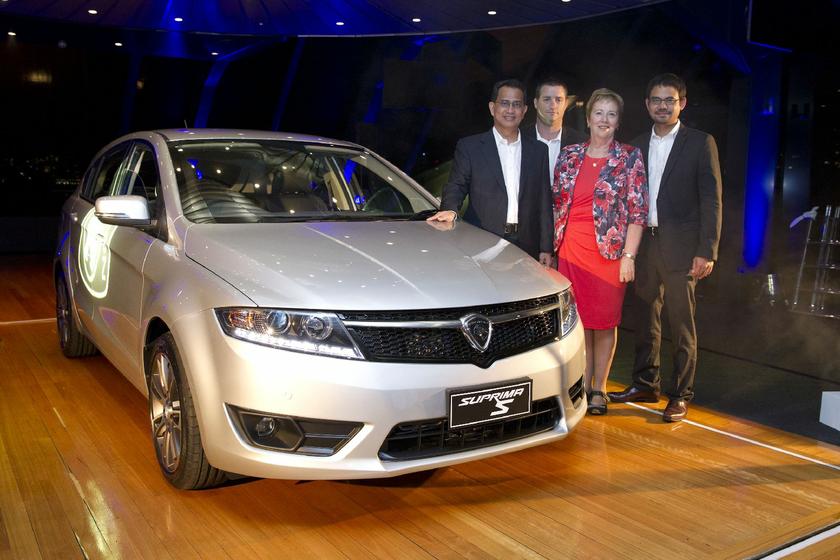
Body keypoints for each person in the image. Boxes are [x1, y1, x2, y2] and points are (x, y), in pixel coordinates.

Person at [607, 73, 722, 423]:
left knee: (680, 324)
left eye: (669, 100)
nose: (662, 105)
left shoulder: (701, 142)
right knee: (645, 320)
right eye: (656, 100)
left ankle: (680, 394)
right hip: (644, 246)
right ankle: (645, 383)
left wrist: (708, 250)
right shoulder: (636, 145)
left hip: (683, 249)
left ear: (681, 103)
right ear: (647, 105)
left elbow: (712, 201)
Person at [552, 88, 648, 415]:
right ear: (588, 117)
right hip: (569, 251)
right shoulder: (569, 155)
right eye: (599, 113)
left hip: (609, 255)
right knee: (577, 324)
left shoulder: (629, 157)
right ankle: (578, 385)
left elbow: (638, 212)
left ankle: (599, 388)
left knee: (604, 323)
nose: (604, 120)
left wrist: (629, 257)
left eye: (611, 114)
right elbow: (555, 205)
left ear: (618, 122)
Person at [427, 79, 553, 266]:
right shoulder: (470, 147)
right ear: (492, 107)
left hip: (527, 245)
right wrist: (450, 210)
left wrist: (546, 248)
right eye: (504, 103)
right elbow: (457, 185)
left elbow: (544, 201)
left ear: (525, 110)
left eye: (516, 104)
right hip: (483, 243)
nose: (510, 110)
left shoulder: (538, 151)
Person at [525, 77, 587, 185]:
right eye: (547, 99)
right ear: (536, 103)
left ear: (566, 104)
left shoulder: (582, 143)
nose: (553, 105)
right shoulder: (519, 139)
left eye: (558, 100)